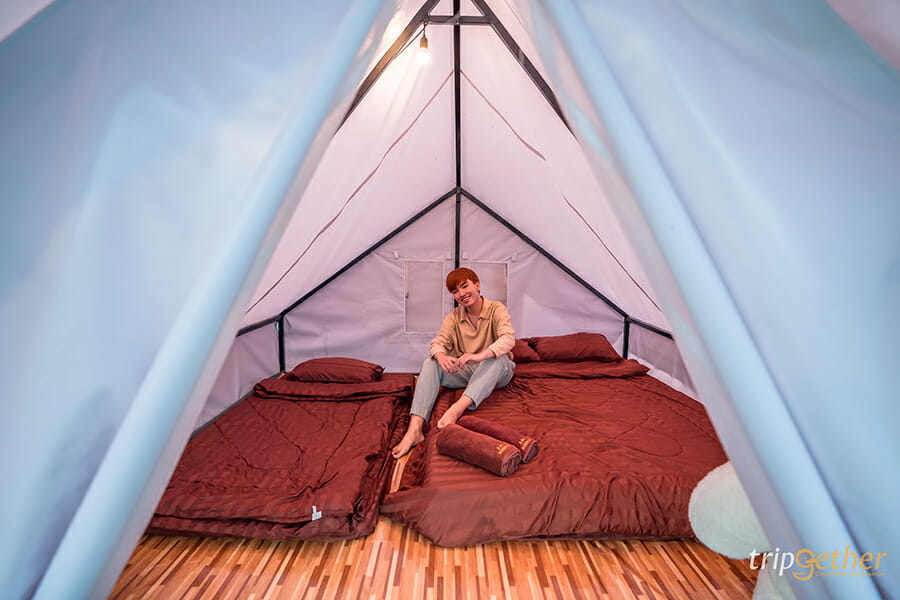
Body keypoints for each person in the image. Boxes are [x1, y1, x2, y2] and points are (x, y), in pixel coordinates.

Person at [391, 267, 516, 458]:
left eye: (465, 286)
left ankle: (456, 410)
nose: (461, 294)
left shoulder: (496, 309)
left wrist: (481, 355)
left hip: (498, 372)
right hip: (470, 370)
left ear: (477, 285)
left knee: (496, 360)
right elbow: (438, 343)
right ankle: (414, 430)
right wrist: (441, 355)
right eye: (455, 291)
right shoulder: (454, 317)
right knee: (430, 363)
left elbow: (508, 338)